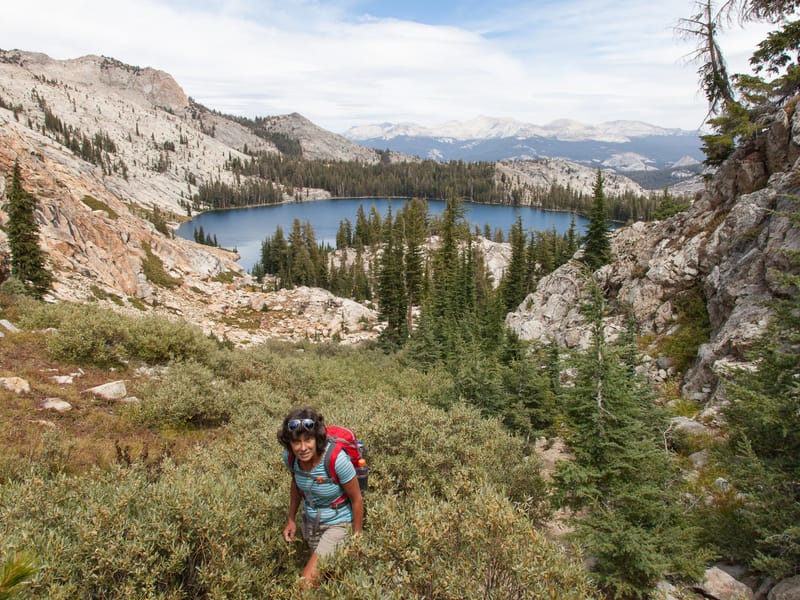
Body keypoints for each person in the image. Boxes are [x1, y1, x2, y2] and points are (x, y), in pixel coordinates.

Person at [278, 407, 363, 588]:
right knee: (327, 578)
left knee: (305, 584)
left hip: (339, 524)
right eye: (296, 442)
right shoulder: (290, 458)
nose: (303, 448)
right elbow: (295, 484)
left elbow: (356, 499)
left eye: (308, 440)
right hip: (311, 523)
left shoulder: (336, 460)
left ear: (317, 439)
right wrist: (291, 519)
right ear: (289, 444)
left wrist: (357, 537)